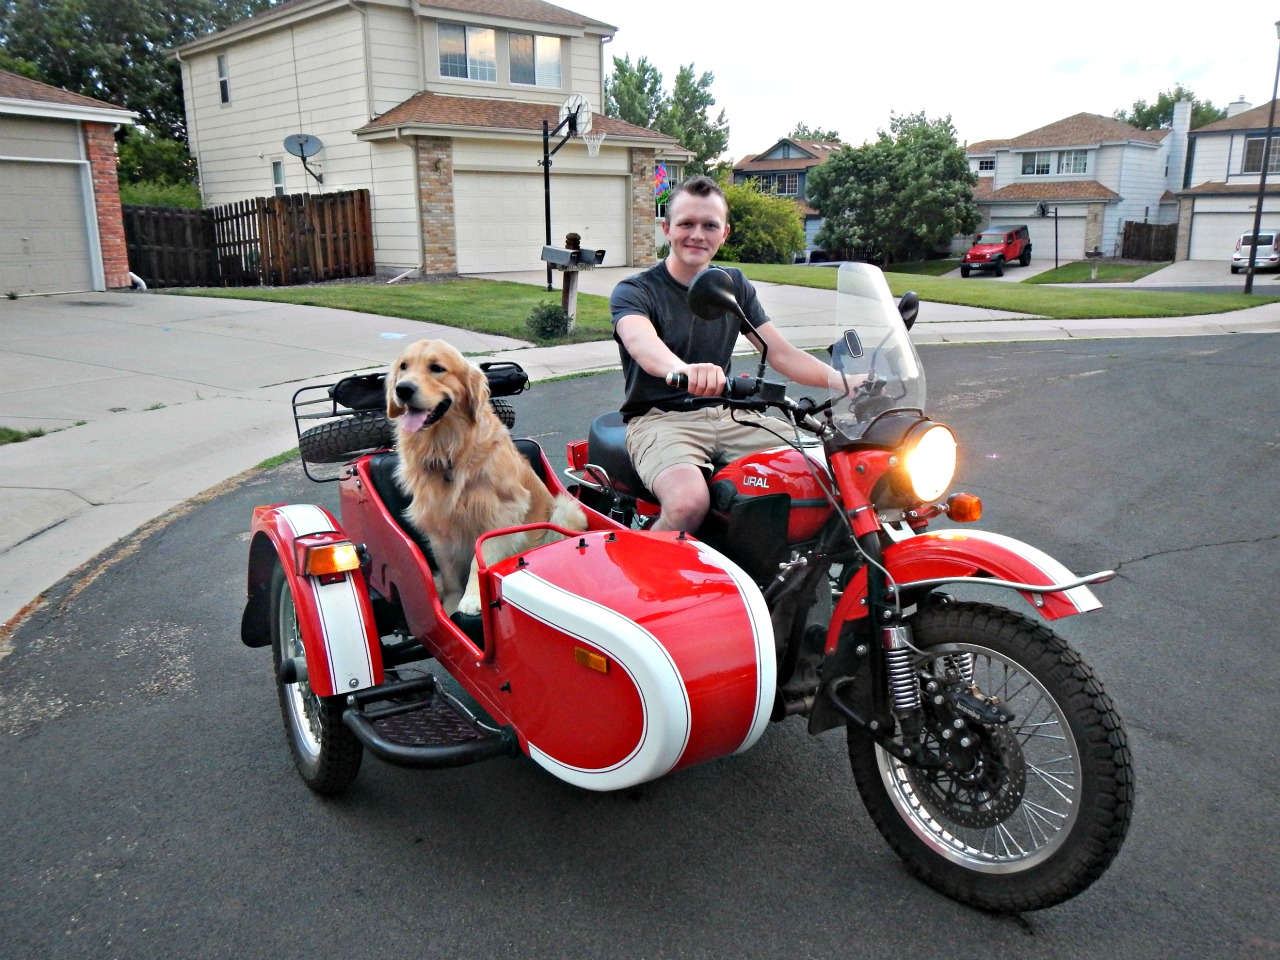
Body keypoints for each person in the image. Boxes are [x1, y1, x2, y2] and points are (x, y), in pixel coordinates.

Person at [610, 175, 850, 533]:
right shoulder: (636, 290)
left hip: (729, 416)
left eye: (710, 225)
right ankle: (643, 577)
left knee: (825, 471)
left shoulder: (732, 284)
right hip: (660, 420)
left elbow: (779, 352)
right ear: (666, 228)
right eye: (686, 223)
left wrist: (844, 381)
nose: (697, 235)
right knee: (688, 503)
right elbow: (642, 343)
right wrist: (683, 370)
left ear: (724, 233)